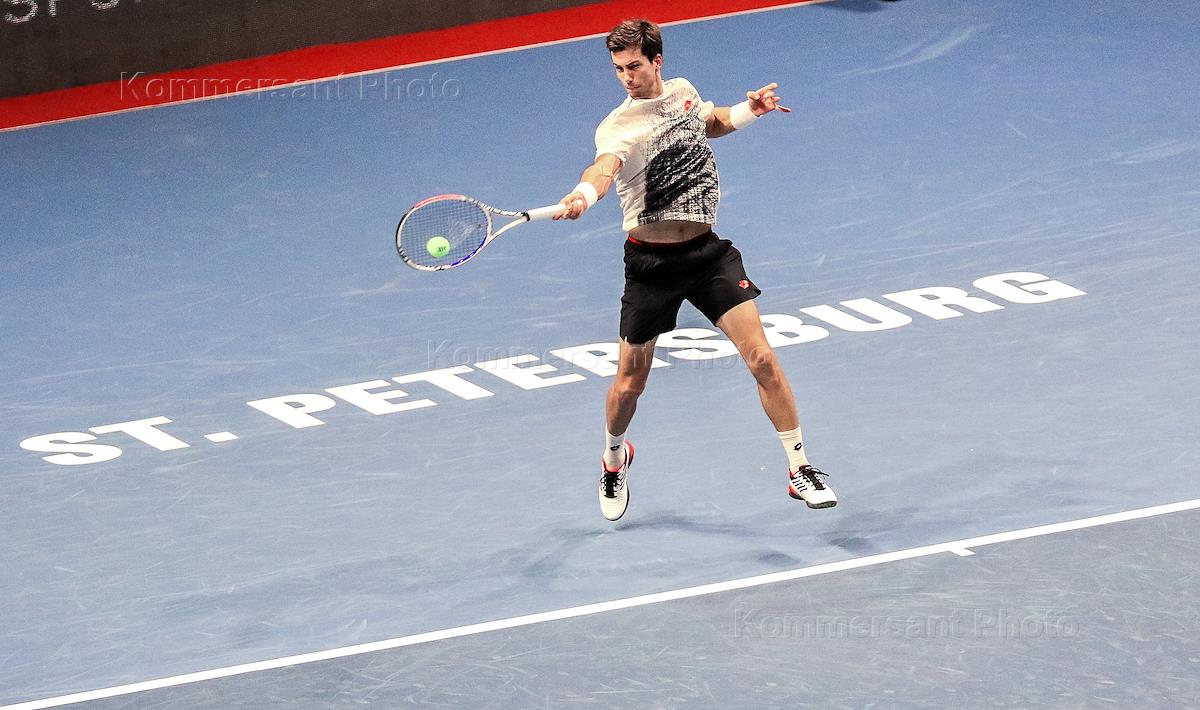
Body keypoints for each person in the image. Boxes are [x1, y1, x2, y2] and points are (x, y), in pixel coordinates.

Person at [556, 18, 837, 521]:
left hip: (707, 255)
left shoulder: (683, 91)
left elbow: (709, 123)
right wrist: (583, 195)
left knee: (762, 358)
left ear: (657, 61)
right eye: (618, 69)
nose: (626, 77)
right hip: (651, 266)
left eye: (634, 66)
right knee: (630, 383)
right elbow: (604, 169)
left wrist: (750, 111)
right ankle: (614, 457)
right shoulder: (617, 126)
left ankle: (800, 468)